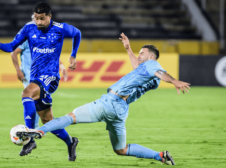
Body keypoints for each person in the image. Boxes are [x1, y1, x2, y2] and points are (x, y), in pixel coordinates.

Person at [20, 33, 191, 165]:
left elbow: (160, 72)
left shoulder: (153, 65)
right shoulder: (149, 76)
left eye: (142, 53)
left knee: (70, 117)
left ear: (151, 57)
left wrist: (174, 81)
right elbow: (142, 69)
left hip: (109, 102)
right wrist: (128, 49)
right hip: (121, 111)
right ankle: (160, 156)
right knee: (121, 149)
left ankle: (40, 131)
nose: (139, 55)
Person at [0, 2, 81, 160]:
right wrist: (0, 45)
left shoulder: (60, 28)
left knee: (26, 93)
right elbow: (12, 46)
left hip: (51, 77)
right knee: (47, 120)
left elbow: (77, 33)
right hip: (36, 77)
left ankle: (30, 140)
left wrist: (73, 55)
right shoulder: (28, 28)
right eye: (37, 18)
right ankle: (71, 142)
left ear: (49, 17)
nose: (39, 22)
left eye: (42, 19)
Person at [11, 14, 68, 129]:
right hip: (29, 75)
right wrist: (18, 70)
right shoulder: (27, 37)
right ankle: (34, 128)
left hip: (43, 75)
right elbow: (14, 52)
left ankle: (38, 127)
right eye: (36, 20)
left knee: (37, 101)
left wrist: (61, 65)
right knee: (32, 99)